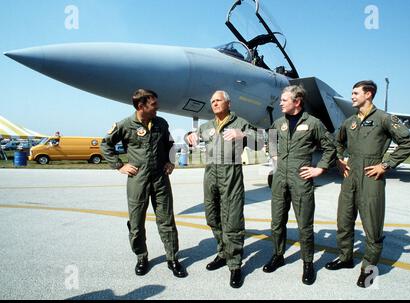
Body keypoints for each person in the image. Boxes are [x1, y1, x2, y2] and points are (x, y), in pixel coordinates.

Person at [325, 80, 410, 288]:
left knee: (373, 228)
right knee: (344, 221)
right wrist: (339, 160)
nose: (352, 96)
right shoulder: (350, 121)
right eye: (352, 93)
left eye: (356, 93)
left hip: (371, 176)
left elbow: (409, 143)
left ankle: (369, 270)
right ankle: (345, 258)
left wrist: (386, 165)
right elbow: (335, 141)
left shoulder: (385, 119)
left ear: (369, 95)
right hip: (350, 176)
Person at [101, 89, 187, 278]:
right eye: (153, 104)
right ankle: (141, 257)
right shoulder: (125, 125)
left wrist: (171, 162)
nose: (157, 107)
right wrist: (119, 165)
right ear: (141, 106)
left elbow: (170, 144)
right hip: (137, 179)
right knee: (136, 222)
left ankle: (172, 259)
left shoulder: (161, 123)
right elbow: (105, 144)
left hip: (160, 179)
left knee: (167, 220)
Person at [186, 90, 262, 288]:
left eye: (218, 100)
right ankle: (223, 252)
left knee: (233, 220)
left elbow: (262, 141)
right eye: (212, 101)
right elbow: (193, 135)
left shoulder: (240, 123)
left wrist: (243, 134)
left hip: (231, 175)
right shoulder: (208, 126)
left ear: (228, 103)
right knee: (212, 216)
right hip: (210, 175)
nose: (214, 103)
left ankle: (235, 265)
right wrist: (189, 136)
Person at [263, 85, 336, 285]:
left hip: (301, 179)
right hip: (279, 179)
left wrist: (319, 169)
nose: (280, 103)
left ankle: (308, 263)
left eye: (284, 100)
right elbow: (270, 141)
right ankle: (278, 255)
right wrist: (274, 155)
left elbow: (331, 147)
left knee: (304, 224)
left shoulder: (313, 123)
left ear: (297, 102)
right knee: (277, 222)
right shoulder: (278, 123)